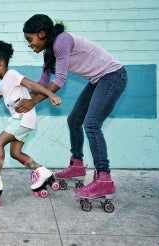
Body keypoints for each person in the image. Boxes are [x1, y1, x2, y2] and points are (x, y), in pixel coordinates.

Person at [18, 14, 128, 201]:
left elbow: (59, 80)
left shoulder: (62, 41)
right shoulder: (48, 51)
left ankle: (104, 178)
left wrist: (33, 102)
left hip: (113, 76)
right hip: (99, 80)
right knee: (75, 120)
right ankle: (77, 165)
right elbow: (43, 82)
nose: (29, 44)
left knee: (91, 125)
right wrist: (22, 97)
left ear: (42, 33)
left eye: (30, 39)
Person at [0, 40, 62, 205]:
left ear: (1, 64)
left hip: (23, 118)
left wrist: (50, 94)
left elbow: (32, 84)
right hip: (21, 119)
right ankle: (43, 172)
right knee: (15, 153)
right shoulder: (2, 82)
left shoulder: (11, 74)